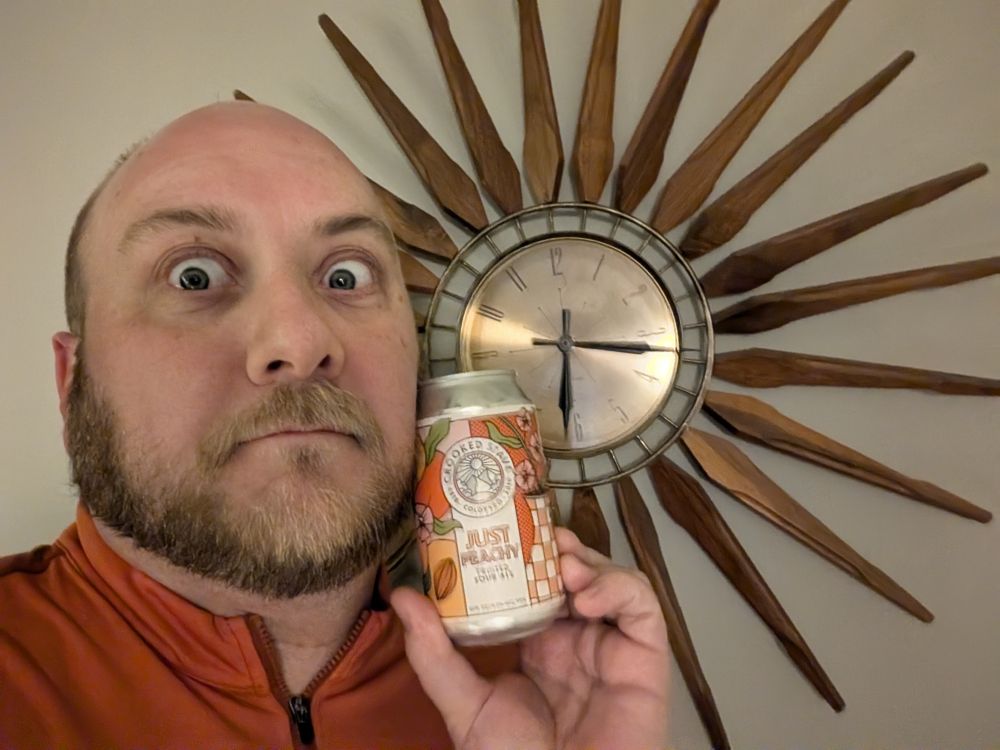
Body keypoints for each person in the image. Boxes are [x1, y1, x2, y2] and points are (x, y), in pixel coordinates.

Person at [0, 102, 669, 749]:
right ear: (72, 381)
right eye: (194, 276)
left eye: (346, 275)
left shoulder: (538, 689)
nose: (299, 342)